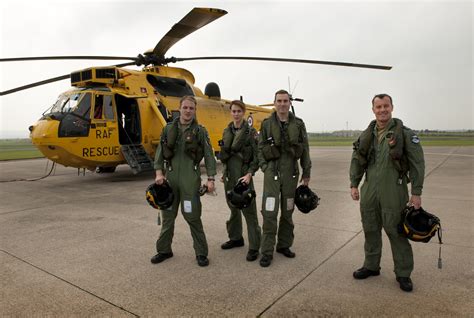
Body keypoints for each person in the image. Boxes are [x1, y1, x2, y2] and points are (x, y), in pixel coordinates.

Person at [350, 93, 425, 292]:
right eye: (378, 107)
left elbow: (418, 164)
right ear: (373, 109)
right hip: (369, 189)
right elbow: (357, 160)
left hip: (394, 188)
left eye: (386, 106)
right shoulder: (367, 135)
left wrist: (416, 192)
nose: (382, 110)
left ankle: (403, 273)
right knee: (370, 228)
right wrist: (353, 184)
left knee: (396, 231)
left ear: (392, 107)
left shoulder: (405, 134)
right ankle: (371, 266)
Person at [151, 95, 217, 267]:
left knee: (193, 217)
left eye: (191, 108)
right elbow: (159, 153)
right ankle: (164, 250)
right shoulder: (168, 129)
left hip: (190, 180)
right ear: (179, 109)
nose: (188, 111)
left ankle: (201, 253)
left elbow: (210, 156)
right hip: (170, 180)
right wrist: (159, 173)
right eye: (185, 107)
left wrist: (211, 179)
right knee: (168, 218)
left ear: (195, 110)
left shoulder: (200, 131)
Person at [257, 89, 311, 267]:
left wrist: (306, 173)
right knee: (270, 213)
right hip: (271, 175)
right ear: (274, 103)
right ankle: (266, 252)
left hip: (290, 175)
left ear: (289, 103)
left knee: (287, 212)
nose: (282, 104)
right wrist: (265, 167)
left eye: (285, 101)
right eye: (279, 101)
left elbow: (305, 149)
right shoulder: (266, 124)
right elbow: (260, 148)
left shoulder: (299, 124)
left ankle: (284, 245)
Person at [219, 100, 262, 261]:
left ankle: (254, 246)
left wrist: (250, 174)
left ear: (243, 113)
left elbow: (257, 157)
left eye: (239, 111)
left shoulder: (251, 133)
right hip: (230, 176)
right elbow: (225, 156)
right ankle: (236, 238)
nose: (236, 114)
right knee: (233, 209)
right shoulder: (226, 131)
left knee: (249, 213)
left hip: (244, 177)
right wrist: (224, 173)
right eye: (233, 111)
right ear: (230, 112)